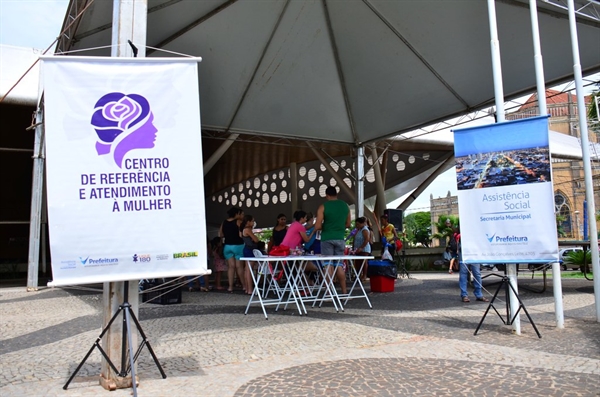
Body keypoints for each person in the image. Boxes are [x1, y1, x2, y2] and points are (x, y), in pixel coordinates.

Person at [315, 186, 351, 294]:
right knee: (339, 265)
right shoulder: (345, 206)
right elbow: (348, 224)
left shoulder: (323, 206)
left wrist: (326, 226)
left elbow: (317, 226)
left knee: (328, 264)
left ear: (327, 195)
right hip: (340, 238)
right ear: (336, 194)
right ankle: (344, 292)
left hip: (327, 238)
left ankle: (329, 292)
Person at [456, 226, 489, 303]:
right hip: (464, 250)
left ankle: (479, 294)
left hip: (474, 250)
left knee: (477, 273)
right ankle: (464, 295)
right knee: (463, 274)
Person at [219, 206, 246, 293]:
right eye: (241, 214)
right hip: (238, 246)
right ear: (237, 214)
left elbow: (221, 234)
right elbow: (240, 235)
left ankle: (230, 287)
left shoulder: (224, 222)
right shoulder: (238, 222)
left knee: (231, 267)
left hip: (227, 246)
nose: (242, 216)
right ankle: (244, 286)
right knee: (239, 267)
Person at [241, 214, 260, 295]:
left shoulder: (243, 229)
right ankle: (250, 289)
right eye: (252, 221)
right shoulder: (248, 230)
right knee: (249, 271)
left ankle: (247, 289)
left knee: (246, 270)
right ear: (248, 222)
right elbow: (256, 240)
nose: (253, 222)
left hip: (246, 249)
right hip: (250, 250)